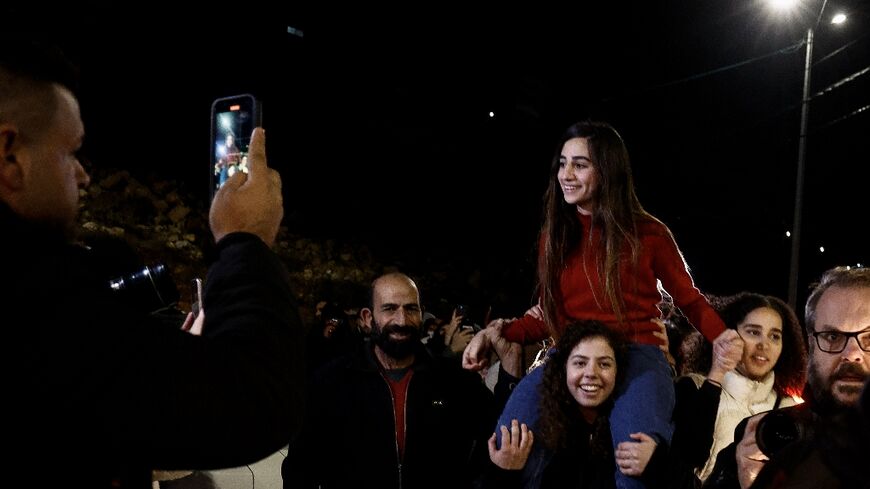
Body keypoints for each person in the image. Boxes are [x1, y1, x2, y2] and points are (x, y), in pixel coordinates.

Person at [1, 40, 303, 488]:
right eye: (70, 152)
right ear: (10, 153)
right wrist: (246, 239)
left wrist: (166, 358)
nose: (83, 174)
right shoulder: (31, 300)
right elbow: (253, 402)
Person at [463, 120, 728, 488]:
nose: (566, 174)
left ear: (607, 169)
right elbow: (550, 317)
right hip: (574, 352)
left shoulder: (648, 233)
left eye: (580, 164)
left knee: (636, 459)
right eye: (562, 163)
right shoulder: (553, 237)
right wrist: (494, 334)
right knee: (511, 435)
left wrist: (723, 336)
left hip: (638, 353)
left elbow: (689, 299)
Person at [281, 272, 497, 489]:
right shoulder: (329, 383)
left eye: (411, 309)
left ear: (422, 314)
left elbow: (496, 437)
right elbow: (300, 469)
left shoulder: (454, 381)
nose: (402, 320)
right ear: (368, 317)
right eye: (390, 308)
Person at [702, 266, 870, 489]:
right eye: (832, 336)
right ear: (811, 345)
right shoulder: (766, 436)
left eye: (869, 338)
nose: (851, 355)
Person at [483, 320, 665, 488]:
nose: (591, 373)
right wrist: (503, 473)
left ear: (619, 370)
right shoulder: (540, 422)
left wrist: (661, 463)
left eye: (604, 364)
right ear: (564, 369)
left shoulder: (633, 423)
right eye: (580, 363)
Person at [671, 293, 807, 486]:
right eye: (753, 332)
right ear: (730, 334)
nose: (764, 345)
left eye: (774, 336)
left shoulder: (789, 408)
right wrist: (717, 373)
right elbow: (685, 459)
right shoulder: (693, 387)